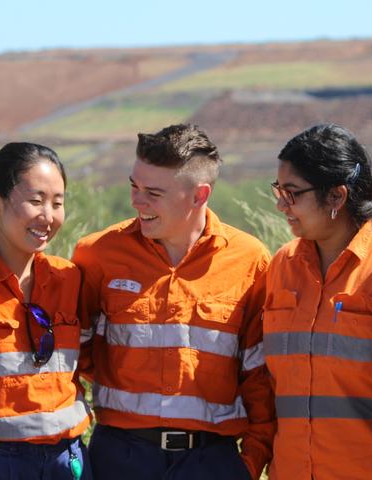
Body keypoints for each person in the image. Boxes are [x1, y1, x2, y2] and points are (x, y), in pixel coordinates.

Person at [72, 124, 274, 480]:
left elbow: (258, 374)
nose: (137, 201)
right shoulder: (96, 254)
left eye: (153, 192)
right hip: (119, 460)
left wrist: (249, 463)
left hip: (212, 463)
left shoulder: (251, 260)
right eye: (134, 186)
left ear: (199, 195)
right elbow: (71, 357)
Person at [263, 123, 372, 479]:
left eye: (292, 193)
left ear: (337, 196)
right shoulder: (282, 267)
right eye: (279, 190)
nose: (280, 205)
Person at [0, 143, 92, 480]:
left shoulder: (70, 280)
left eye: (58, 203)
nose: (48, 216)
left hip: (69, 462)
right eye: (36, 201)